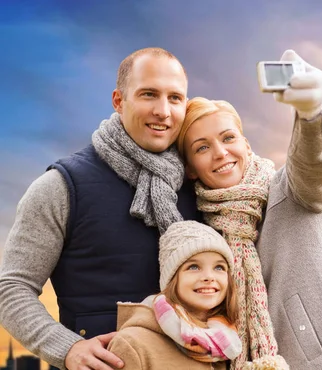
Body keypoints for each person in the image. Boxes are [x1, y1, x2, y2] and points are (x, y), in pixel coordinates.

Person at [178, 50, 322, 369]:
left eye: (228, 137)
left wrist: (311, 112)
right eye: (202, 147)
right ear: (190, 168)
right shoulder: (204, 240)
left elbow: (311, 163)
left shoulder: (291, 190)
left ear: (245, 144)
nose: (220, 153)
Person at [0, 47, 200, 370]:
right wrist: (69, 348)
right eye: (149, 94)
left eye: (175, 98)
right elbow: (11, 288)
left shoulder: (200, 182)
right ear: (119, 101)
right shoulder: (62, 186)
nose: (163, 111)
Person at [107, 220, 243, 369]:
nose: (209, 277)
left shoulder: (228, 343)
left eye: (219, 267)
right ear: (171, 279)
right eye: (193, 266)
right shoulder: (133, 343)